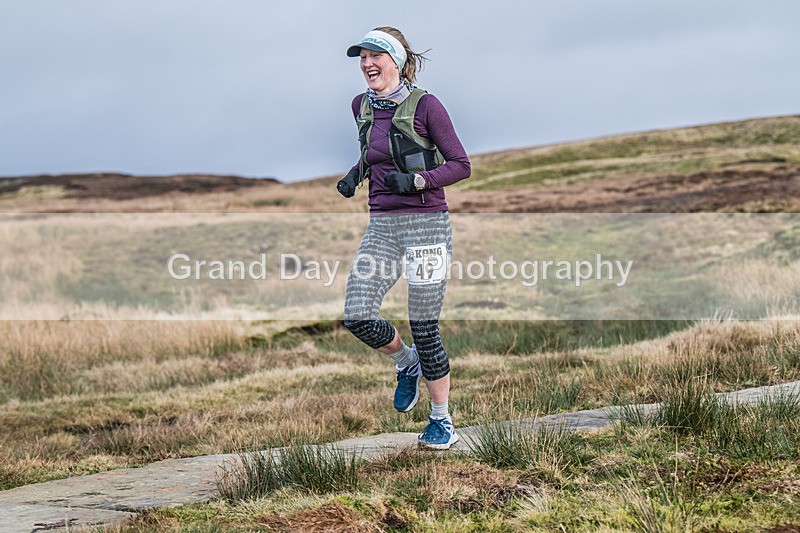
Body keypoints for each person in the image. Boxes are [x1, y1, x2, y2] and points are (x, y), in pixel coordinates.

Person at [337, 27, 471, 449]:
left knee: (425, 326)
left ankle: (441, 421)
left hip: (427, 227)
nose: (366, 63)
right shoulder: (361, 106)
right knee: (357, 314)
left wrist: (416, 180)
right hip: (383, 226)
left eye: (375, 55)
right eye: (361, 57)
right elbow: (374, 151)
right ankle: (405, 361)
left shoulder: (427, 106)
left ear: (395, 59)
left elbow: (460, 165)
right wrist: (354, 174)